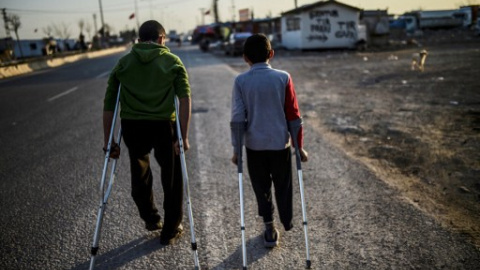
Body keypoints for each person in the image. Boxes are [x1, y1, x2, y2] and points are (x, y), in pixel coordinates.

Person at [103, 20, 191, 245]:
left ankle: (150, 217)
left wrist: (109, 141)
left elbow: (110, 104)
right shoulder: (172, 61)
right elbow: (184, 98)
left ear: (139, 41)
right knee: (171, 177)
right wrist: (183, 136)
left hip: (133, 126)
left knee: (139, 169)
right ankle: (170, 229)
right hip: (164, 125)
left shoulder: (123, 63)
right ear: (162, 38)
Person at [230, 33, 308, 248]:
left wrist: (237, 150)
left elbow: (238, 119)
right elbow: (293, 115)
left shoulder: (241, 81)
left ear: (245, 58)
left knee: (261, 186)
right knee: (283, 185)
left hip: (254, 146)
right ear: (271, 54)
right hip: (279, 144)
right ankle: (287, 220)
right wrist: (299, 147)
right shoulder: (283, 77)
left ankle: (269, 227)